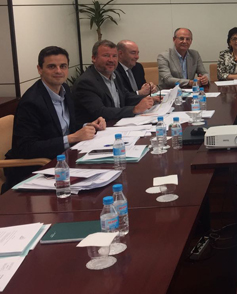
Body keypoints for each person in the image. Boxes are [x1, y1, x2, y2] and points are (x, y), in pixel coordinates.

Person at [3, 46, 106, 192]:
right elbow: (26, 148)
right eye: (52, 66)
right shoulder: (31, 102)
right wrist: (72, 138)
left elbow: (64, 126)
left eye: (63, 66)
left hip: (64, 160)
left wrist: (88, 125)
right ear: (39, 69)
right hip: (37, 170)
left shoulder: (65, 90)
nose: (58, 71)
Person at [73, 40, 155, 125]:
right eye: (106, 55)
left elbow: (126, 96)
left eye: (114, 56)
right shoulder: (86, 82)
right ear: (94, 58)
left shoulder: (115, 74)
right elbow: (101, 112)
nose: (111, 60)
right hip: (98, 129)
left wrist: (150, 99)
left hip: (117, 123)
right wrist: (134, 109)